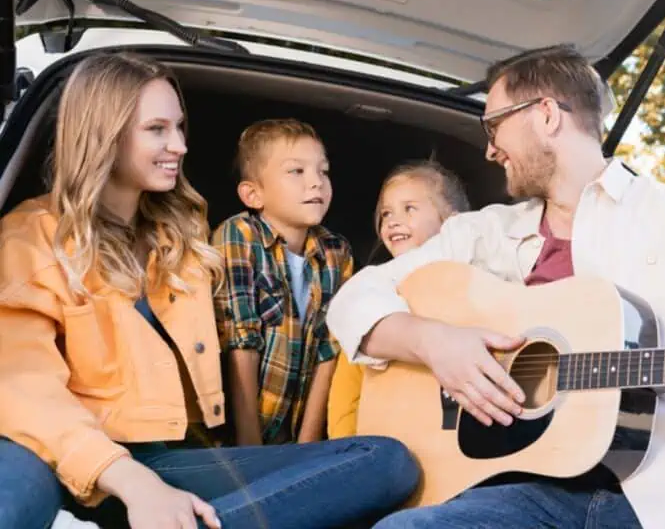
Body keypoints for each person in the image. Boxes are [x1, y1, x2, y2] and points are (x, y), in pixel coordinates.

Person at [325, 45, 665, 529]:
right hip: (516, 489)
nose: (489, 149)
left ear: (544, 114)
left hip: (662, 502)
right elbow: (353, 299)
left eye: (494, 126)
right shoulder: (482, 232)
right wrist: (435, 343)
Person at [0, 52, 418, 529]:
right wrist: (134, 484)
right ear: (102, 134)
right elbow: (23, 389)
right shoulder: (31, 238)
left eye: (179, 127)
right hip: (91, 460)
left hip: (182, 456)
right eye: (156, 129)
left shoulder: (184, 234)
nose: (178, 145)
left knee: (386, 461)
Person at [211, 119, 349, 446]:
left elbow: (330, 350)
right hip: (235, 441)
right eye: (296, 172)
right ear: (253, 194)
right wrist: (251, 451)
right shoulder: (240, 235)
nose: (316, 182)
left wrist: (307, 446)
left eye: (323, 171)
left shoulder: (335, 251)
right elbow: (240, 341)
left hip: (296, 435)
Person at [327, 159, 470, 438]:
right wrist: (345, 445)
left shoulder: (473, 286)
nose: (393, 221)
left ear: (453, 222)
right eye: (386, 213)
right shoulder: (371, 306)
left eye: (409, 209)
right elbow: (345, 403)